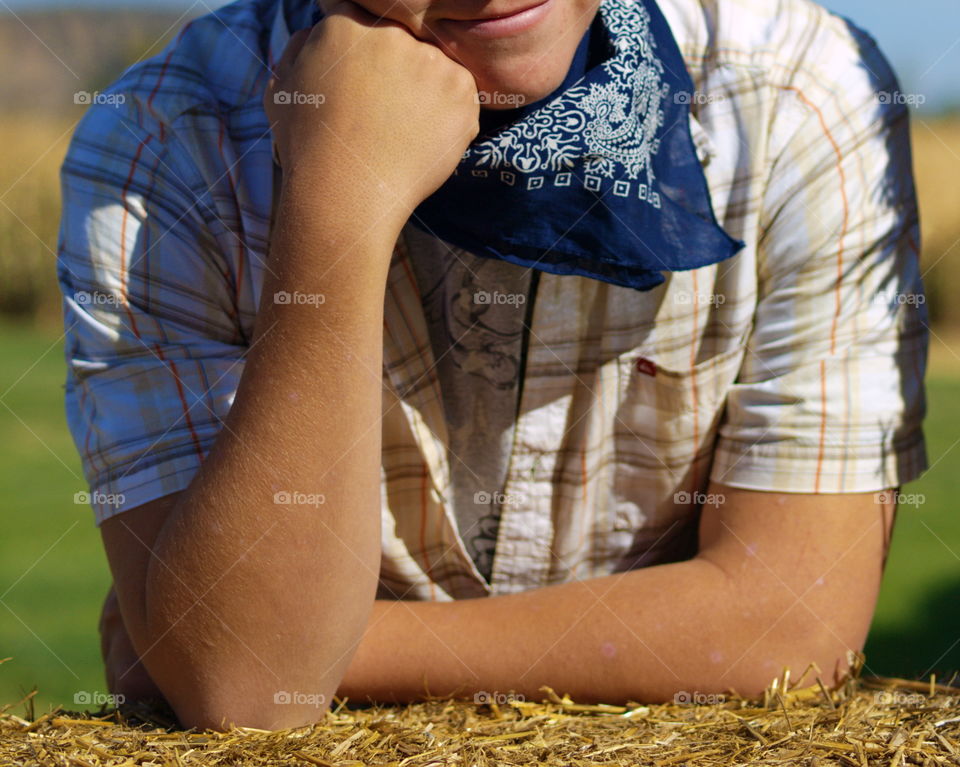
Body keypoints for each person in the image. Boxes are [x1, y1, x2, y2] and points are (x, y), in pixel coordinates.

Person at [58, 0, 927, 732]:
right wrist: (339, 207)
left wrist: (273, 643)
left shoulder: (800, 94)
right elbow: (246, 685)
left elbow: (790, 622)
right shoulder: (162, 146)